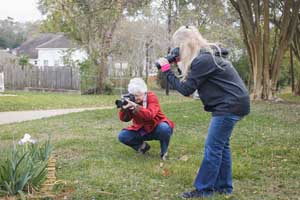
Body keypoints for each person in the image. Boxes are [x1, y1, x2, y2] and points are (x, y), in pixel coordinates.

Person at [156, 26, 250, 198]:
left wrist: (166, 71)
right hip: (235, 103)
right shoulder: (205, 57)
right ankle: (224, 187)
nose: (177, 51)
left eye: (179, 47)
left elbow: (186, 90)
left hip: (229, 105)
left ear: (186, 44)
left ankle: (204, 190)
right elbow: (190, 83)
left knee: (212, 148)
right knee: (221, 146)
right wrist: (177, 64)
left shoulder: (202, 60)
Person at [118, 78, 174, 160]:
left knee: (164, 128)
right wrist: (124, 109)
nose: (135, 98)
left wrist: (135, 106)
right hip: (142, 129)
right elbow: (124, 119)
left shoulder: (151, 97)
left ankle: (164, 152)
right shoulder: (131, 100)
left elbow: (150, 115)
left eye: (137, 95)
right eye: (133, 95)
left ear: (144, 92)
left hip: (156, 127)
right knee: (123, 136)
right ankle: (143, 147)